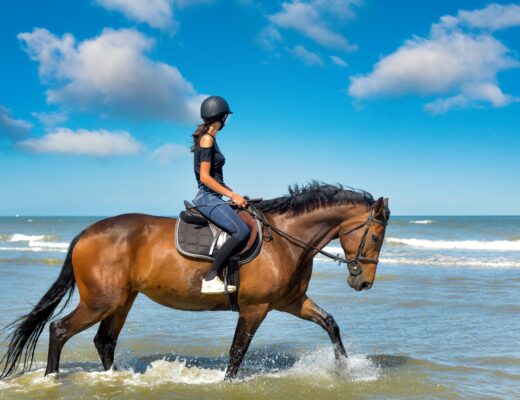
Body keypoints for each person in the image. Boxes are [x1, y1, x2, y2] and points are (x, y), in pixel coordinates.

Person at [191, 96, 250, 294]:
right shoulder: (207, 139)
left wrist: (236, 195)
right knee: (241, 231)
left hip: (213, 196)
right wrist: (232, 195)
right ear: (220, 117)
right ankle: (210, 277)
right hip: (206, 197)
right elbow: (205, 178)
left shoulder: (210, 138)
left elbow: (216, 179)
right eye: (225, 117)